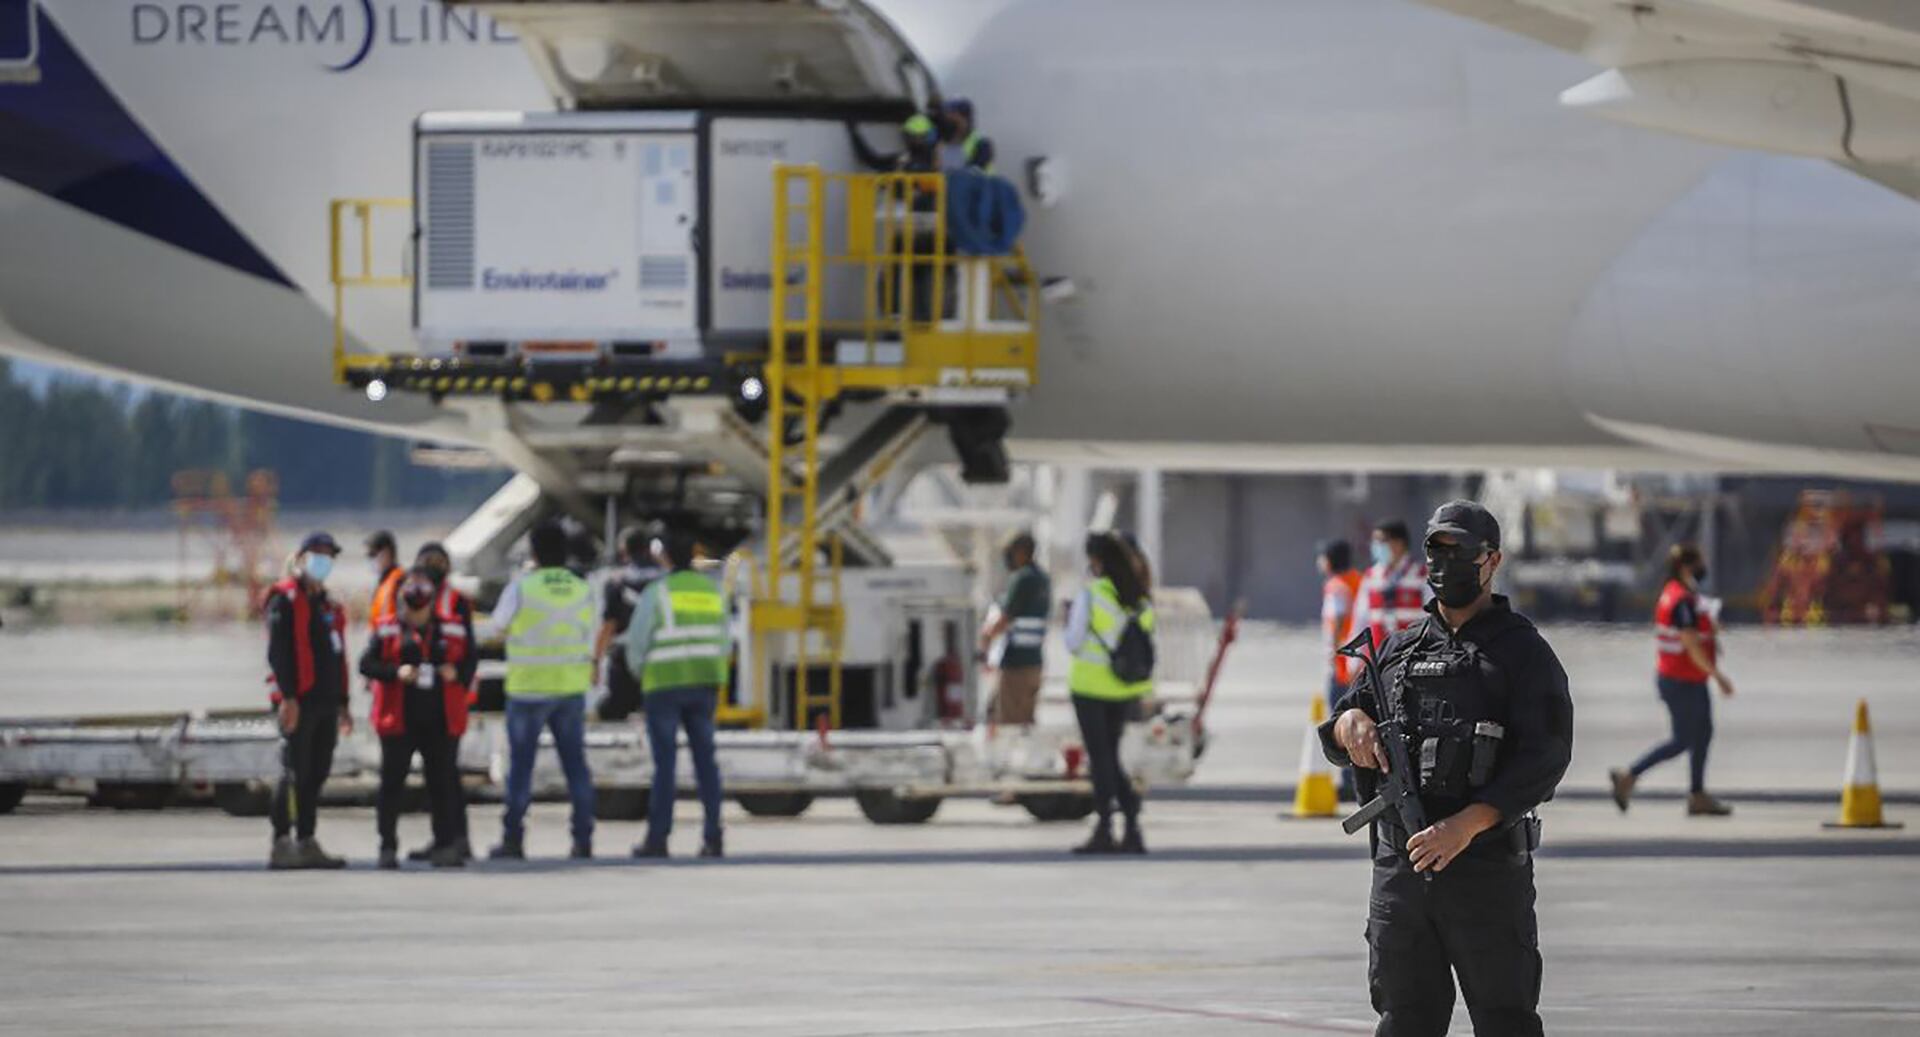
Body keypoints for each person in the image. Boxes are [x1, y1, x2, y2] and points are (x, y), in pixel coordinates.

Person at [1320, 500, 1572, 1036]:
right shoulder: (1398, 650)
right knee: (1404, 1020)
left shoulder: (1522, 653)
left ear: (1492, 561)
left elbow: (1545, 758)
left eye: (1460, 551)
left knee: (1506, 1020)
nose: (1445, 562)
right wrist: (1352, 726)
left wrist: (1468, 824)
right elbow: (1340, 721)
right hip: (1403, 873)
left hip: (1483, 872)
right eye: (1436, 549)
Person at [488, 520, 597, 861]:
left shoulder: (522, 588)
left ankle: (513, 839)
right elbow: (591, 631)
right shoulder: (582, 588)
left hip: (529, 690)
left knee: (521, 768)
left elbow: (497, 627)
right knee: (576, 767)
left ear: (533, 552)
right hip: (569, 688)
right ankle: (583, 839)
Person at [626, 529, 731, 860]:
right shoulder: (713, 590)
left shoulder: (657, 592)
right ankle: (713, 837)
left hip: (664, 685)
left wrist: (639, 672)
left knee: (665, 766)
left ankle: (658, 838)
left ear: (665, 556)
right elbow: (725, 640)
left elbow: (637, 643)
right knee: (706, 764)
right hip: (704, 683)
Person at [1611, 543, 1736, 817]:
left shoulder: (1677, 594)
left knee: (1703, 733)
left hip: (1687, 677)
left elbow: (1694, 629)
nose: (1703, 570)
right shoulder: (1680, 600)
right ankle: (1629, 775)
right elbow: (1689, 643)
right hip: (1681, 680)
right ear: (1685, 568)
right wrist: (1719, 677)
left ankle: (1697, 794)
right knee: (1683, 739)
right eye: (1698, 565)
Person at [360, 568, 469, 869]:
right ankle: (387, 846)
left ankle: (445, 844)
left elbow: (469, 661)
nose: (416, 615)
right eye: (410, 607)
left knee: (442, 782)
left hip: (439, 719)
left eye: (421, 608)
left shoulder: (453, 628)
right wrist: (396, 672)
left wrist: (456, 672)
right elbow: (366, 664)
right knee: (392, 783)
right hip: (399, 718)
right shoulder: (386, 629)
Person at [263, 532, 353, 870]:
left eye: (329, 555)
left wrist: (343, 703)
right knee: (292, 770)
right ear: (300, 558)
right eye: (317, 554)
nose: (323, 561)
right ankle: (282, 841)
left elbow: (337, 654)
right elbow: (278, 652)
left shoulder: (328, 604)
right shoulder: (284, 600)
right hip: (297, 699)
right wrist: (288, 697)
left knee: (317, 771)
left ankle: (307, 838)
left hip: (326, 701)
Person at [1063, 532, 1156, 855]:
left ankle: (1104, 827)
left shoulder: (1091, 595)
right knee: (1111, 757)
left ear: (1096, 562)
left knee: (1100, 760)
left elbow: (1073, 642)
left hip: (1089, 688)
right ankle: (1131, 826)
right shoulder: (1139, 599)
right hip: (1123, 690)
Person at [413, 541, 477, 861]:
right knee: (431, 773)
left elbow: (471, 652)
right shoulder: (410, 597)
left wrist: (461, 675)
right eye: (428, 561)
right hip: (417, 697)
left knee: (447, 772)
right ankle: (442, 837)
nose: (434, 567)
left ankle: (457, 838)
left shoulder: (458, 602)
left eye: (439, 562)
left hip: (448, 698)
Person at [978, 532, 1051, 728]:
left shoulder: (1022, 578)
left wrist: (985, 639)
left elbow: (1005, 618)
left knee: (1010, 724)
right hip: (1034, 663)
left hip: (1016, 665)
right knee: (1024, 721)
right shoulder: (1043, 579)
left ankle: (1011, 760)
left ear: (1022, 553)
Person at [593, 527, 663, 723]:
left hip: (624, 658)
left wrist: (596, 662)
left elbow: (608, 627)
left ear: (624, 551)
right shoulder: (665, 580)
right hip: (659, 656)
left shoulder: (617, 582)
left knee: (613, 712)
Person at [1317, 539, 1363, 799]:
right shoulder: (1358, 579)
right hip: (1358, 659)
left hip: (1342, 665)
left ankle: (1348, 780)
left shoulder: (1336, 586)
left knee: (1340, 722)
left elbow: (1338, 618)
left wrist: (1334, 656)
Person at [1349, 519, 1429, 653]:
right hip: (1378, 657)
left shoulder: (1421, 575)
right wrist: (1354, 659)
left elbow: (1432, 617)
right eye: (1375, 542)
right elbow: (1360, 620)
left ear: (1399, 543)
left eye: (1381, 541)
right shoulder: (1371, 576)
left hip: (1412, 654)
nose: (1376, 546)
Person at [938, 98, 996, 173]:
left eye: (953, 118)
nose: (949, 122)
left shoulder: (981, 144)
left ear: (966, 120)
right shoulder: (942, 146)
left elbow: (972, 175)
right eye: (947, 118)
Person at [366, 530, 403, 624]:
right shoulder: (385, 580)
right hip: (381, 635)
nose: (370, 559)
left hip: (392, 635)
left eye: (372, 554)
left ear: (386, 553)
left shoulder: (399, 580)